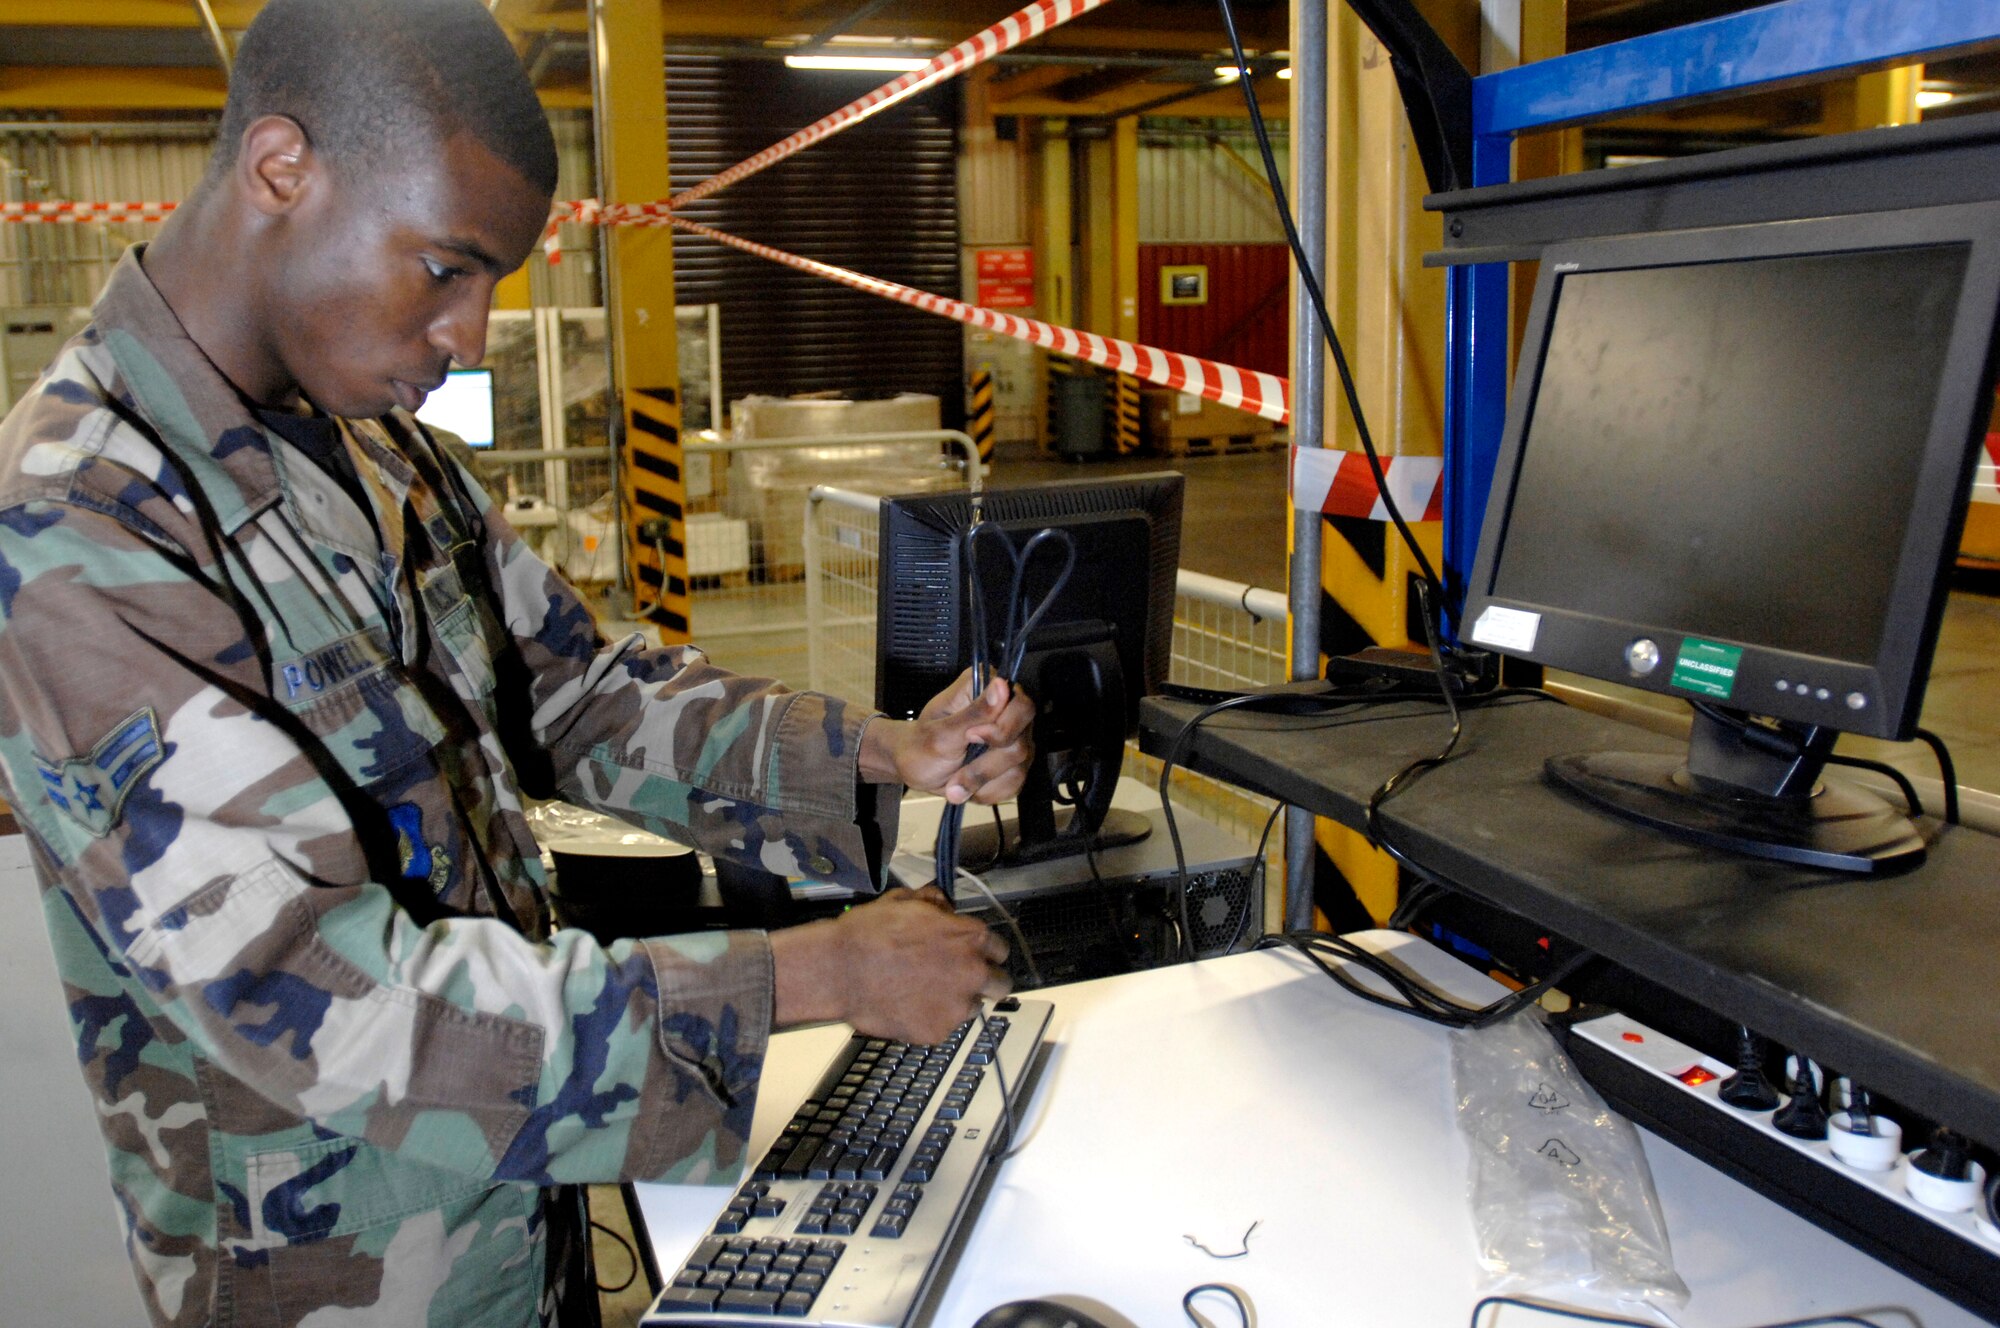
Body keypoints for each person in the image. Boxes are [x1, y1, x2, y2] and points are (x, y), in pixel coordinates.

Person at [0, 2, 1032, 1325]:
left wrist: (887, 751)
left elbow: (572, 690)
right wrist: (818, 977)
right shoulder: (78, 523)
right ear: (279, 170)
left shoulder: (379, 452)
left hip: (519, 1205)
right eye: (445, 267)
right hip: (333, 1281)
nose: (473, 334)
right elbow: (307, 985)